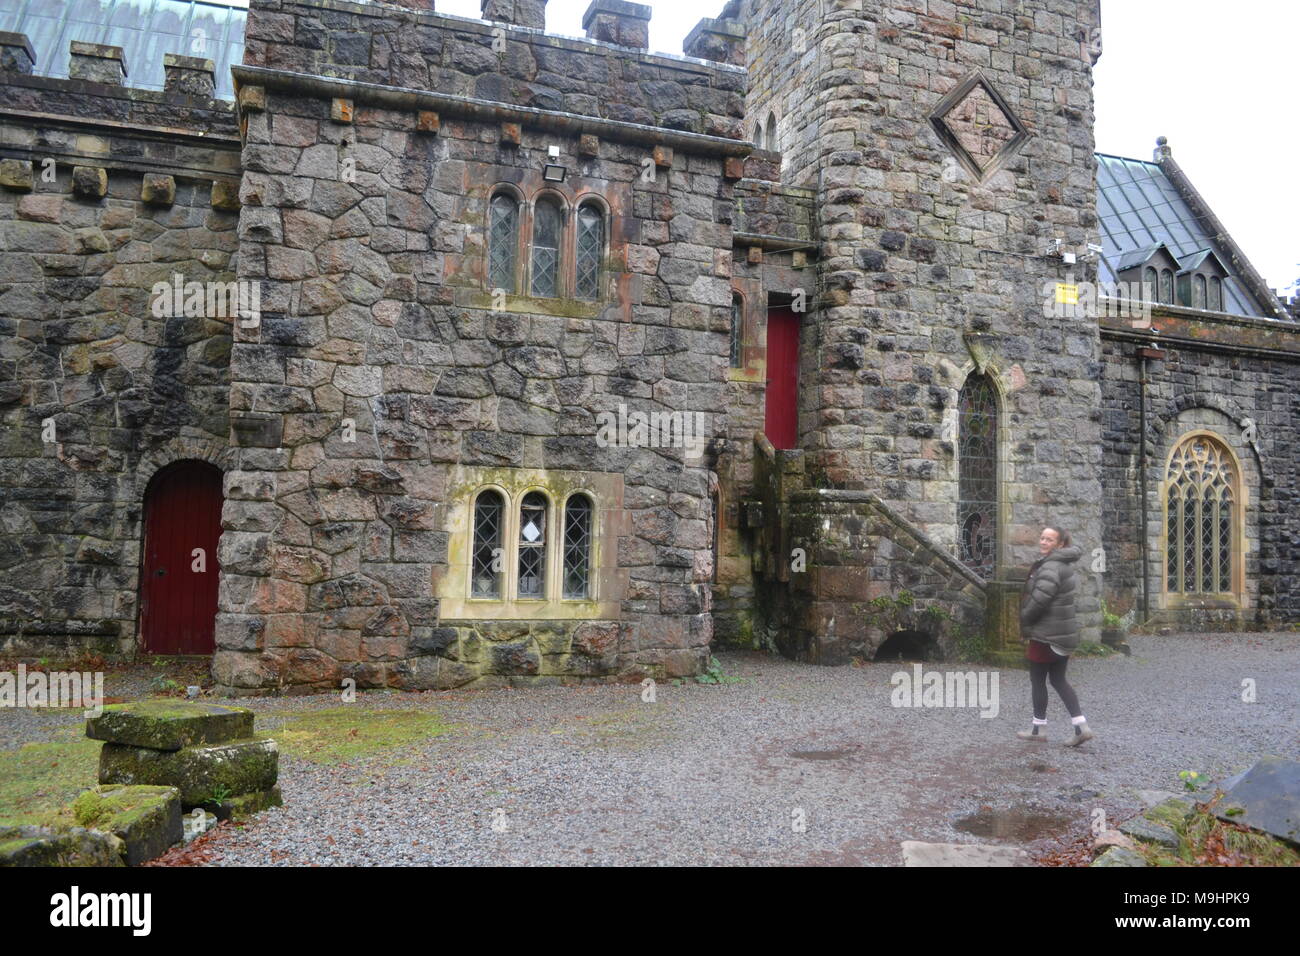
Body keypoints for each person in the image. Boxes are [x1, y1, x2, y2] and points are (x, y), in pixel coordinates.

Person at [1016, 526, 1094, 746]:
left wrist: (1025, 619)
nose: (1043, 542)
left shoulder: (1050, 566)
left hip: (1046, 635)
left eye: (1049, 540)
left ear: (1060, 544)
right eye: (1042, 538)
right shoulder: (1064, 565)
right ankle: (1081, 727)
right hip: (1062, 634)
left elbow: (1040, 600)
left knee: (1038, 680)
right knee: (1058, 680)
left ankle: (1038, 729)